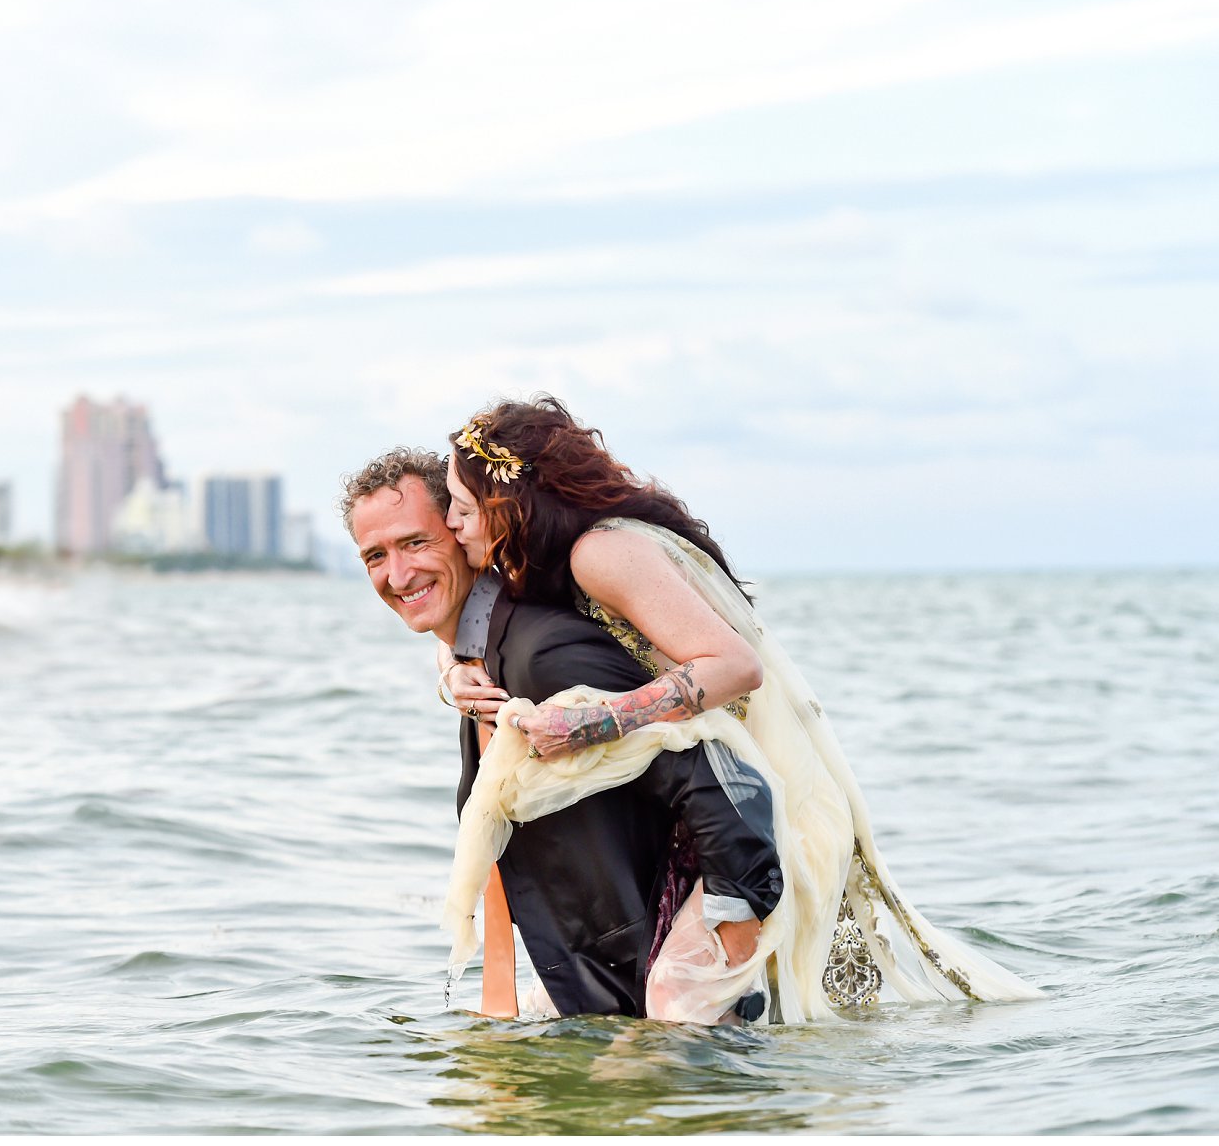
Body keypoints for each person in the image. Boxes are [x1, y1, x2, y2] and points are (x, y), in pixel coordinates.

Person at [435, 399, 1039, 1026]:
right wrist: (452, 674)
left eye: (461, 504)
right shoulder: (544, 562)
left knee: (677, 1002)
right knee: (606, 1012)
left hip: (756, 808)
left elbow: (735, 666)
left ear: (508, 501)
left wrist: (594, 723)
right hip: (702, 808)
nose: (452, 523)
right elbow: (465, 624)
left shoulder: (600, 553)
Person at [344, 447, 780, 1023]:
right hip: (602, 988)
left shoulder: (544, 654)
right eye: (376, 555)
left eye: (415, 543)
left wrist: (712, 974)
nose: (398, 575)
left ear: (462, 528)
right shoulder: (479, 660)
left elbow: (729, 789)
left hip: (684, 1005)